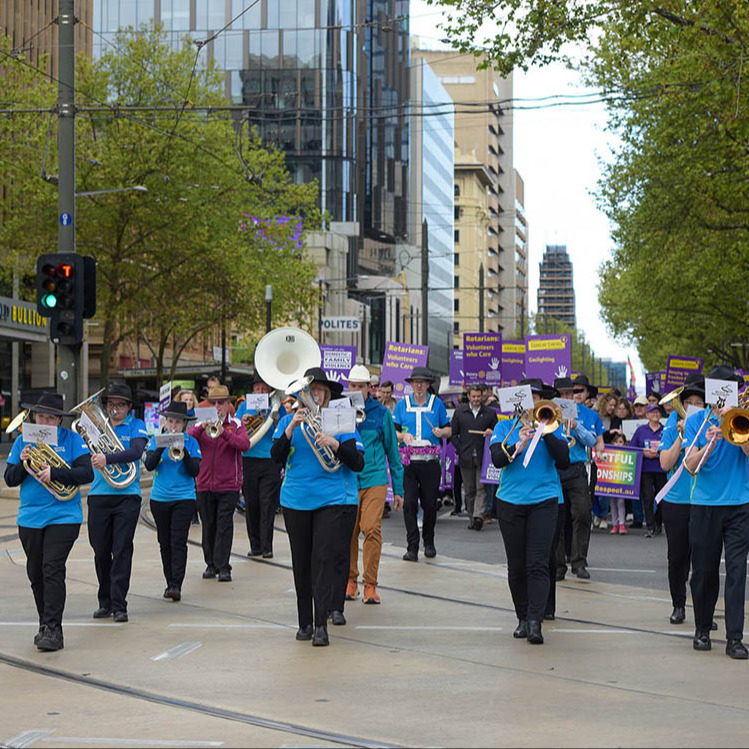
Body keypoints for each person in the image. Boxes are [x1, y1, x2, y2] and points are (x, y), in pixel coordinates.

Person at [271, 367, 364, 646]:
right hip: (296, 500)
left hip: (331, 499)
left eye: (319, 390)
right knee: (301, 562)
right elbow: (275, 457)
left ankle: (321, 624)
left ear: (327, 394)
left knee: (322, 560)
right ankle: (305, 623)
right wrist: (289, 427)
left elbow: (357, 462)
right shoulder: (289, 420)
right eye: (310, 391)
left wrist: (334, 442)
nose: (314, 395)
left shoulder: (340, 419)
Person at [3, 393, 93, 651]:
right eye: (41, 416)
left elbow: (86, 473)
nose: (45, 422)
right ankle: (45, 623)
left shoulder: (72, 440)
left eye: (51, 418)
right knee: (35, 572)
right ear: (34, 417)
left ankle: (54, 629)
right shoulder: (23, 440)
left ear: (59, 421)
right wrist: (23, 463)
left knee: (52, 567)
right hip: (30, 517)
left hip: (64, 515)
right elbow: (10, 478)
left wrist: (56, 472)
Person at [490, 377, 570, 645]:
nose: (533, 403)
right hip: (510, 502)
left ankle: (536, 622)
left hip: (544, 501)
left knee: (538, 563)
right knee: (517, 566)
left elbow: (564, 460)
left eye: (537, 398)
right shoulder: (504, 427)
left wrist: (544, 433)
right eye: (529, 397)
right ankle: (522, 618)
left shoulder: (552, 427)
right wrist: (519, 444)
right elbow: (498, 460)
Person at [683, 365, 749, 659]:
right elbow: (689, 465)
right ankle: (702, 629)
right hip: (705, 505)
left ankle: (735, 637)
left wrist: (736, 427)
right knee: (704, 572)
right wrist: (709, 443)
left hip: (739, 504)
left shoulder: (743, 418)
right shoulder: (696, 419)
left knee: (737, 571)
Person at [86, 383, 148, 623]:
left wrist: (107, 458)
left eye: (120, 405)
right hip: (99, 495)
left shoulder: (136, 425)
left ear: (129, 407)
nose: (115, 409)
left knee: (121, 549)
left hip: (127, 496)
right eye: (111, 404)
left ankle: (119, 604)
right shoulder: (97, 428)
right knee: (100, 551)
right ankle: (105, 601)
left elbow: (136, 451)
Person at [345, 365, 404, 605]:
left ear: (369, 388)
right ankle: (350, 581)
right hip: (348, 478)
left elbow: (392, 450)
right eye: (353, 386)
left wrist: (398, 488)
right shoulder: (339, 409)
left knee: (371, 528)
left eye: (361, 386)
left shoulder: (380, 413)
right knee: (348, 532)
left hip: (375, 478)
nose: (357, 390)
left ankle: (370, 585)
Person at [188, 384, 249, 582]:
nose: (217, 407)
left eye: (221, 403)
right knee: (209, 525)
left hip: (229, 484)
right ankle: (210, 564)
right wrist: (200, 427)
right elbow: (187, 441)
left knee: (224, 525)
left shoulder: (237, 424)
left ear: (228, 404)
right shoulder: (200, 424)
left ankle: (224, 566)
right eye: (213, 403)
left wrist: (224, 432)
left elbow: (244, 445)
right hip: (204, 483)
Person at [657, 374, 705, 624]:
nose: (693, 405)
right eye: (689, 401)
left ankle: (702, 609)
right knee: (677, 557)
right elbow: (666, 462)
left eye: (698, 401)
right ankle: (678, 604)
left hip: (703, 499)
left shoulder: (709, 420)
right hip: (676, 500)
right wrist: (681, 436)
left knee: (702, 560)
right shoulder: (672, 422)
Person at [143, 401, 202, 601]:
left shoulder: (192, 442)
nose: (173, 426)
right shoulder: (155, 440)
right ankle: (169, 581)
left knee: (178, 542)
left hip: (184, 498)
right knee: (164, 542)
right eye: (170, 421)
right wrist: (160, 446)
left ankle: (176, 584)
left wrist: (183, 451)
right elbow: (150, 465)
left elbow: (195, 471)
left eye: (177, 422)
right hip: (159, 499)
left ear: (185, 424)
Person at [393, 367, 452, 561]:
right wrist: (403, 436)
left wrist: (441, 433)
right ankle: (412, 546)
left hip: (430, 461)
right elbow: (394, 432)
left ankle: (429, 541)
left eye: (422, 382)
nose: (418, 385)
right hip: (409, 463)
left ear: (428, 384)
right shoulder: (401, 405)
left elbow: (449, 430)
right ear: (411, 384)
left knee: (429, 504)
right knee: (409, 504)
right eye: (415, 382)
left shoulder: (438, 404)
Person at [551, 377, 598, 583]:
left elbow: (592, 441)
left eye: (569, 394)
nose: (566, 397)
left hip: (577, 469)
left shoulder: (587, 414)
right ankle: (559, 565)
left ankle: (579, 562)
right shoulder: (548, 412)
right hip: (555, 469)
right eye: (561, 394)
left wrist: (576, 426)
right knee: (557, 519)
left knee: (582, 514)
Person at [236, 373, 285, 559]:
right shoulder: (243, 407)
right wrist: (244, 422)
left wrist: (277, 419)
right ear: (253, 391)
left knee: (267, 505)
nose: (261, 391)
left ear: (269, 391)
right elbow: (237, 432)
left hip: (269, 460)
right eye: (257, 389)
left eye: (264, 389)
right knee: (252, 504)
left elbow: (283, 431)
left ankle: (267, 546)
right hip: (248, 459)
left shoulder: (276, 407)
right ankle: (254, 544)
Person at [450, 384, 497, 530]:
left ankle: (478, 516)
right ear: (469, 396)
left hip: (483, 457)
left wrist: (491, 432)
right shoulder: (460, 412)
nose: (476, 399)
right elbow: (453, 433)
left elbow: (498, 432)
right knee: (469, 490)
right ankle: (472, 517)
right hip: (466, 457)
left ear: (482, 396)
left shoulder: (489, 413)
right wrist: (460, 448)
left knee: (481, 488)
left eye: (478, 396)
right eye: (473, 396)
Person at [629, 403, 666, 537]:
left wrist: (659, 452)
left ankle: (658, 523)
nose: (655, 414)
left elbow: (671, 446)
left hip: (661, 468)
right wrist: (644, 453)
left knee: (662, 499)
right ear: (647, 415)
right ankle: (650, 526)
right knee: (648, 498)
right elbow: (632, 447)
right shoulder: (641, 430)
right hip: (645, 469)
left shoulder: (665, 429)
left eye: (657, 412)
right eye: (652, 412)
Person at [608, 431, 629, 534]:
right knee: (612, 502)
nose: (618, 444)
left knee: (621, 502)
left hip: (622, 481)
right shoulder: (609, 453)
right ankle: (614, 524)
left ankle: (622, 524)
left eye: (620, 442)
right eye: (616, 442)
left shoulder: (628, 454)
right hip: (611, 481)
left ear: (625, 443)